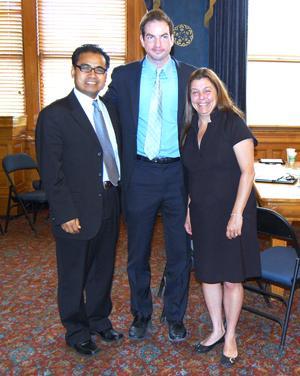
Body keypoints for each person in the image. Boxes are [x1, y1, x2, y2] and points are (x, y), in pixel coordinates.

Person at [104, 9, 194, 341]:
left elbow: (209, 117)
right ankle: (140, 314)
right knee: (137, 252)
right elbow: (102, 112)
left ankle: (175, 316)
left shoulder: (191, 76)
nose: (158, 43)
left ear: (173, 40)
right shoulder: (124, 76)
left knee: (179, 252)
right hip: (139, 173)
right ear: (142, 40)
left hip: (177, 176)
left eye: (164, 36)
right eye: (151, 36)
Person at [36, 44, 123, 356]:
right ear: (73, 71)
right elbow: (51, 170)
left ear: (105, 76)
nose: (92, 75)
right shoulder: (55, 115)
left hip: (110, 200)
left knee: (103, 268)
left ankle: (99, 319)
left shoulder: (109, 109)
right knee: (74, 273)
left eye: (99, 69)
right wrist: (64, 212)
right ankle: (76, 329)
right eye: (85, 67)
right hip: (75, 210)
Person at [182, 68, 261, 367]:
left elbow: (248, 172)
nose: (201, 98)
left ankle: (231, 336)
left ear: (218, 92)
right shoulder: (191, 129)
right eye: (195, 93)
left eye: (207, 91)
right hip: (202, 214)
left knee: (230, 277)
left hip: (232, 213)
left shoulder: (233, 123)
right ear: (189, 98)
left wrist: (237, 214)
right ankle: (216, 329)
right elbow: (193, 175)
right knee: (208, 274)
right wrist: (189, 207)